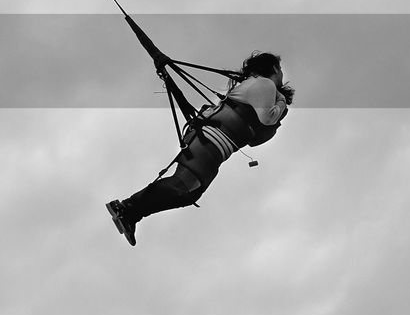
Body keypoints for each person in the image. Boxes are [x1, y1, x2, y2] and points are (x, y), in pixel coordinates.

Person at [106, 51, 294, 246]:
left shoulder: (258, 86)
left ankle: (129, 212)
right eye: (280, 69)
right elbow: (267, 118)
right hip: (210, 141)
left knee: (189, 191)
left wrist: (279, 109)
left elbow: (256, 139)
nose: (281, 74)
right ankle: (127, 208)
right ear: (273, 68)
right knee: (184, 187)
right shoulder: (265, 84)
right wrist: (280, 102)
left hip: (214, 146)